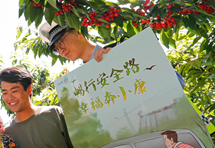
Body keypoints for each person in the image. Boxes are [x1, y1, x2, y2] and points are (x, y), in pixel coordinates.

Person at [38, 21, 187, 87]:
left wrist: (120, 58)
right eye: (57, 48)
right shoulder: (84, 83)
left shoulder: (122, 48)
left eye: (61, 42)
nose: (61, 50)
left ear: (77, 32)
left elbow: (177, 83)